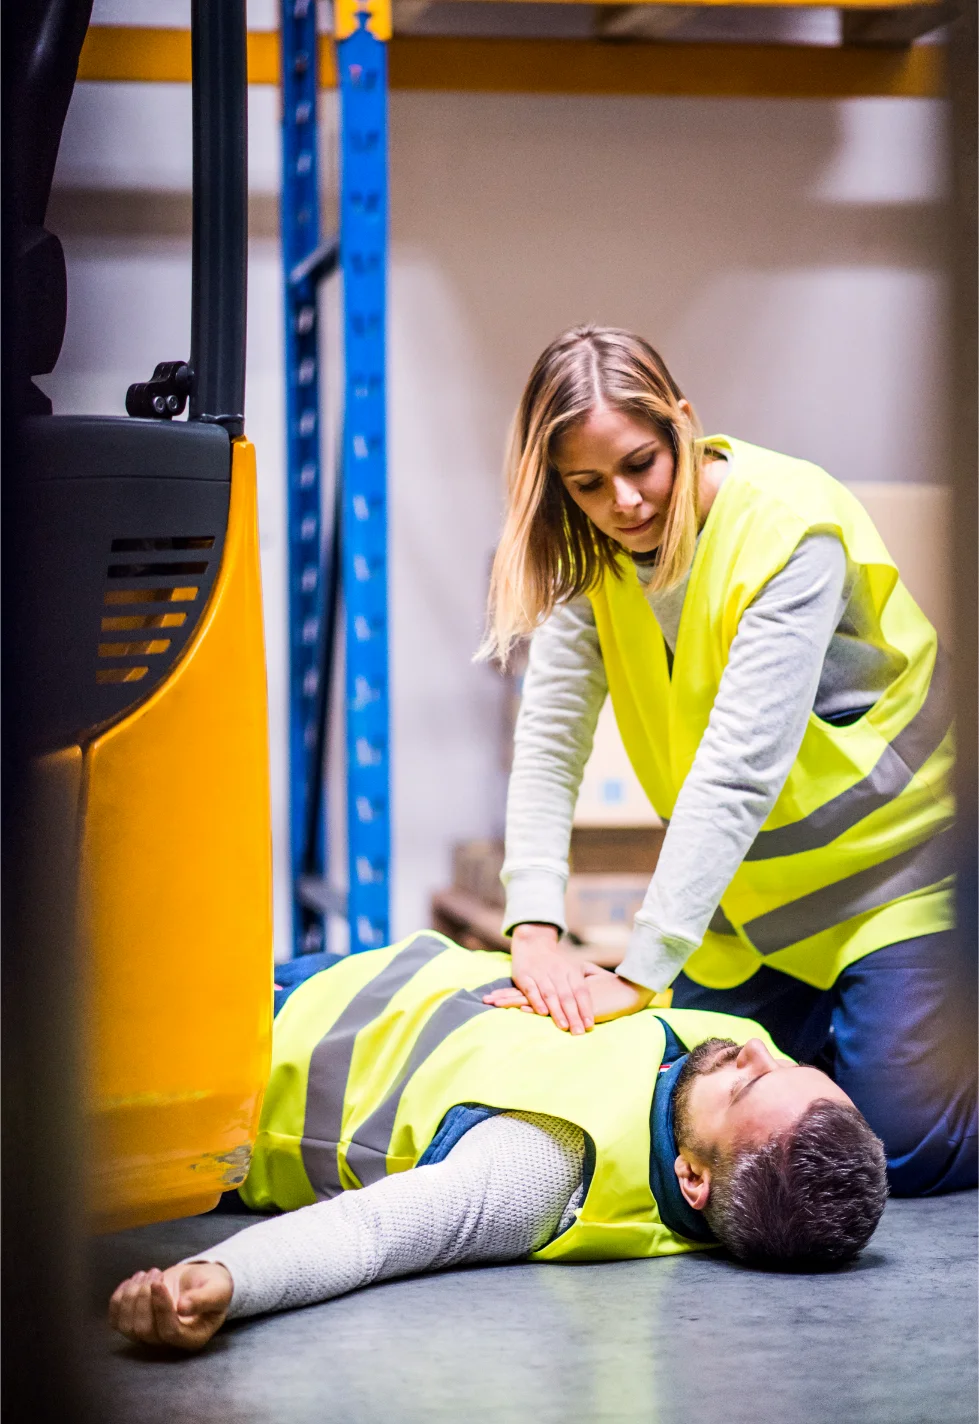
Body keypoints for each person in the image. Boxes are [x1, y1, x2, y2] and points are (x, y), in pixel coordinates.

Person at [479, 325, 975, 1198]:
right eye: (586, 484)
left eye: (640, 464)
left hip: (895, 881)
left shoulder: (788, 529)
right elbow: (551, 739)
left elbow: (736, 770)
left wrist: (641, 970)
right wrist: (533, 932)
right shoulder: (591, 556)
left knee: (890, 1145)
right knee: (686, 1113)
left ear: (681, 423)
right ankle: (851, 1032)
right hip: (746, 911)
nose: (623, 501)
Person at [110, 933, 887, 1352]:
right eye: (788, 1065)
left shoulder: (544, 1169)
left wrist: (226, 1280)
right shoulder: (720, 1066)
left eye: (748, 1085)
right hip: (316, 974)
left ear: (691, 1178)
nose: (753, 1051)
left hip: (229, 1064)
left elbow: (370, 1234)